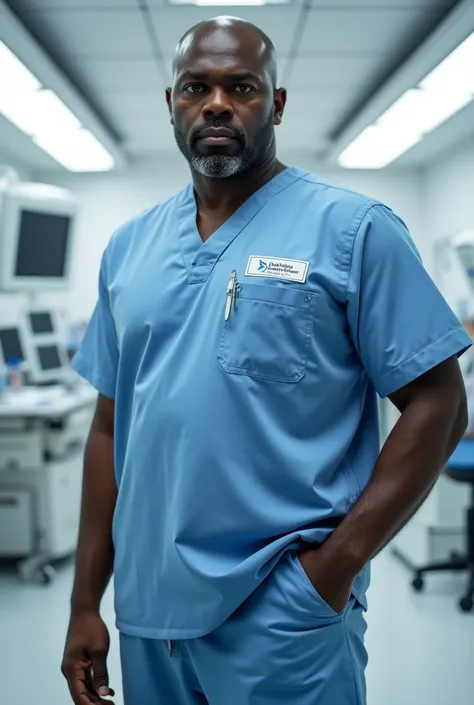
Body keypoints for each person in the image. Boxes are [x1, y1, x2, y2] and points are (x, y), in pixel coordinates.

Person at [61, 16, 472, 705]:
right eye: (196, 86)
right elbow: (110, 428)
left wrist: (335, 566)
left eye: (241, 86)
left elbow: (439, 401)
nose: (217, 102)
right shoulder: (128, 249)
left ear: (275, 103)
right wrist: (83, 602)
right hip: (147, 611)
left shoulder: (354, 231)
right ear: (172, 104)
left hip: (280, 613)